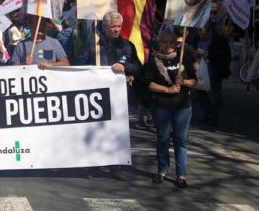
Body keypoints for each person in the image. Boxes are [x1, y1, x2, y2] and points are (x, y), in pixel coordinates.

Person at [77, 11, 141, 180]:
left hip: (118, 97)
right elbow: (81, 65)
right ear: (104, 27)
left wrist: (124, 67)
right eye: (113, 26)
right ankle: (94, 165)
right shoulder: (93, 45)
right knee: (96, 129)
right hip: (96, 95)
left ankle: (116, 165)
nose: (116, 29)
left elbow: (138, 67)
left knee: (116, 130)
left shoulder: (127, 46)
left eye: (119, 26)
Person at [146, 31, 197, 188]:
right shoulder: (154, 60)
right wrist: (166, 90)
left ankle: (181, 174)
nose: (168, 46)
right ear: (159, 44)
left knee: (180, 140)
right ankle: (162, 170)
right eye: (164, 42)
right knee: (163, 138)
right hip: (162, 106)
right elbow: (149, 84)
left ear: (176, 44)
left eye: (171, 42)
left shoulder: (184, 57)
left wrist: (184, 81)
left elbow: (195, 81)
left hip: (182, 106)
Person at [195, 21, 231, 128]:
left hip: (214, 72)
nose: (202, 35)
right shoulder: (196, 39)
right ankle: (208, 113)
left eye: (204, 33)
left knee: (215, 96)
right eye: (200, 33)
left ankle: (214, 117)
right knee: (200, 93)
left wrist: (211, 56)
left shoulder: (220, 40)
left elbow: (226, 56)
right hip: (199, 71)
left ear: (210, 32)